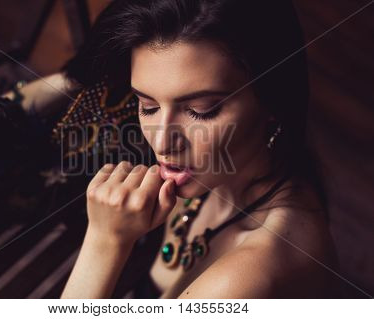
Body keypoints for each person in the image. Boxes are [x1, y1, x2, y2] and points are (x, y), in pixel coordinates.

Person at [59, 0, 343, 298]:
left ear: (272, 99)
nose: (161, 142)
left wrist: (105, 241)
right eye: (147, 105)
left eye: (201, 111)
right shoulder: (223, 172)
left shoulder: (247, 275)